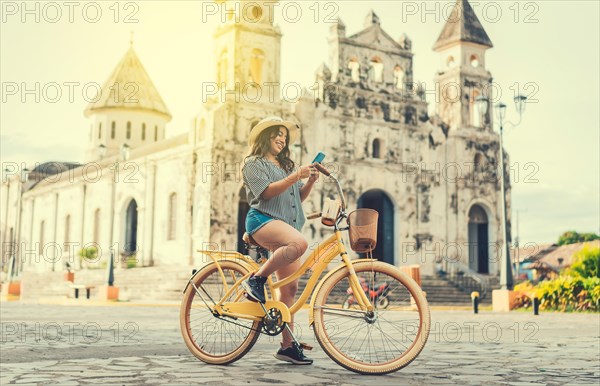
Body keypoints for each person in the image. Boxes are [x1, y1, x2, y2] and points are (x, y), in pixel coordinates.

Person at [241, 116, 318, 365]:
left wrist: (310, 182)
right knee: (299, 244)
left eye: (285, 135)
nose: (282, 138)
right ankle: (256, 279)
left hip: (284, 226)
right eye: (278, 133)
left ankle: (287, 346)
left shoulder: (286, 167)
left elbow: (296, 199)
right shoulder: (253, 163)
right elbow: (266, 192)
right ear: (265, 136)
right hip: (262, 221)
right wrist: (296, 176)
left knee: (289, 289)